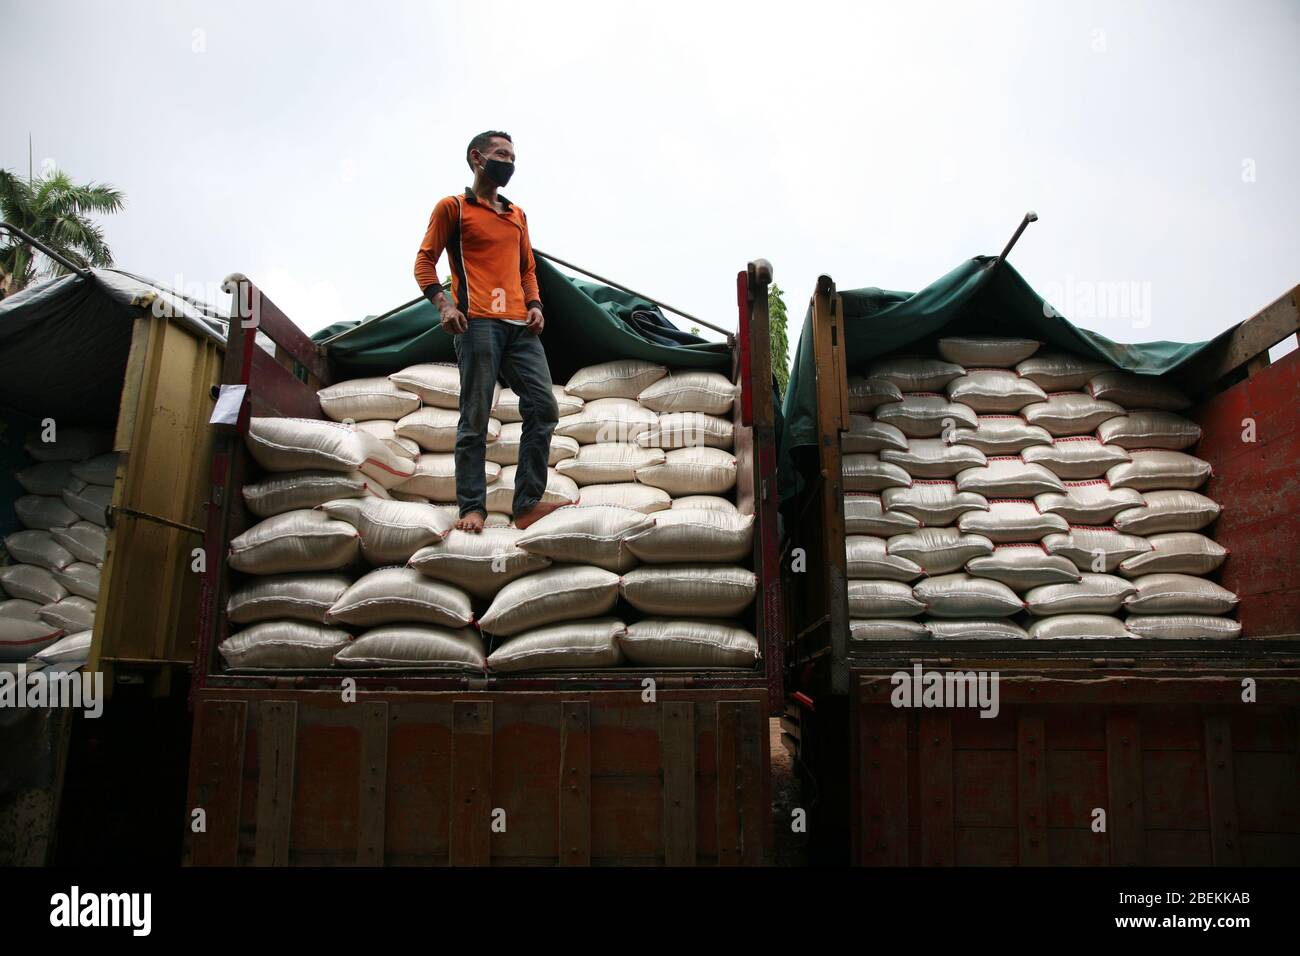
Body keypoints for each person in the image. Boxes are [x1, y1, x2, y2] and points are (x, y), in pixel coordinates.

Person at [413, 130, 561, 533]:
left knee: (544, 408)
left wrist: (535, 305)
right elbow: (424, 262)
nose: (508, 163)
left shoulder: (517, 215)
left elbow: (527, 268)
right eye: (501, 154)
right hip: (476, 322)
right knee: (475, 416)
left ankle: (526, 504)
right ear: (477, 158)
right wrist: (443, 306)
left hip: (520, 327)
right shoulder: (453, 208)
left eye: (513, 157)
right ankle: (472, 508)